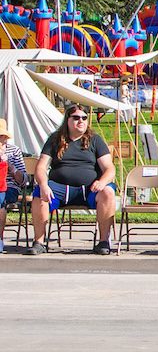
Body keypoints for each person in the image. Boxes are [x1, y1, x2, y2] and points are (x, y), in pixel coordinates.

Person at [27, 105, 118, 255]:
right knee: (39, 193)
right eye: (76, 118)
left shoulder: (95, 140)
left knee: (108, 192)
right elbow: (41, 167)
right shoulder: (55, 139)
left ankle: (103, 242)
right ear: (67, 120)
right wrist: (43, 185)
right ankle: (39, 242)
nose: (81, 121)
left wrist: (102, 182)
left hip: (89, 189)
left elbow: (109, 168)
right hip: (59, 188)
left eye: (84, 118)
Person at [0, 120, 29, 253]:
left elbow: (24, 181)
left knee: (1, 199)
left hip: (10, 186)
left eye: (1, 137)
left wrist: (10, 167)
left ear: (5, 137)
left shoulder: (14, 151)